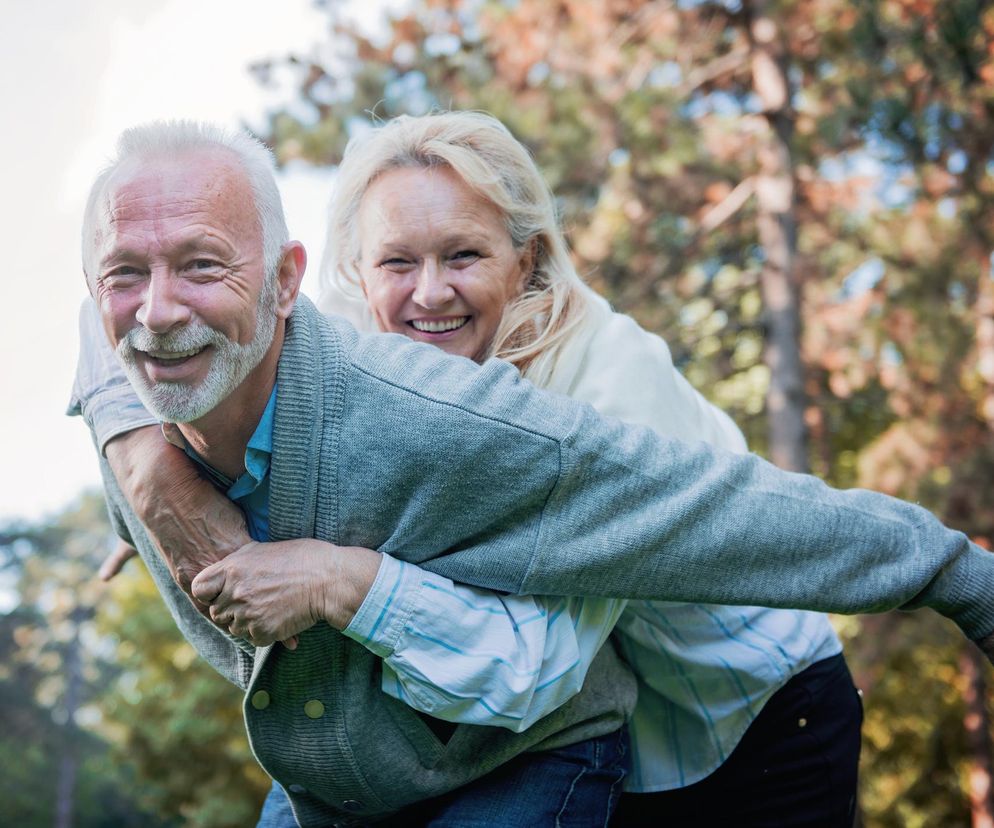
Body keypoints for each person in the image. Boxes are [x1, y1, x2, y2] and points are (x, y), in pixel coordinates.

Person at [73, 119, 994, 828]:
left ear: (529, 259)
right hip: (597, 734)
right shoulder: (347, 362)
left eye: (464, 255)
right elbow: (128, 302)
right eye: (398, 261)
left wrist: (951, 574)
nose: (428, 293)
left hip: (745, 717)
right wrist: (142, 466)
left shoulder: (593, 396)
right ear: (352, 272)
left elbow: (543, 663)